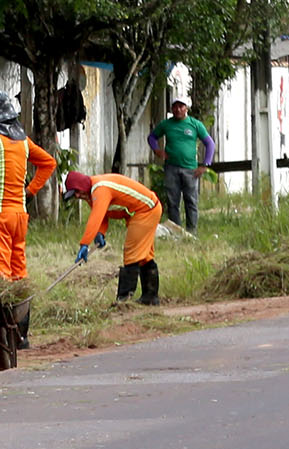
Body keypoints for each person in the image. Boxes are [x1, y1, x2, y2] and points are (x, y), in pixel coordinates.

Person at [0, 90, 57, 280]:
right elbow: (49, 163)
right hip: (19, 215)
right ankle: (22, 307)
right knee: (19, 271)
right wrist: (31, 190)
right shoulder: (23, 141)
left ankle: (1, 309)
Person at [63, 169, 165, 304]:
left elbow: (95, 217)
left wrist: (84, 244)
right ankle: (150, 297)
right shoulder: (92, 193)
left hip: (146, 211)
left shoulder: (100, 189)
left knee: (131, 254)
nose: (76, 196)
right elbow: (103, 216)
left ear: (81, 186)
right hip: (143, 211)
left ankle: (123, 301)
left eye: (76, 192)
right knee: (144, 256)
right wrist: (100, 233)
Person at [148, 98, 215, 233]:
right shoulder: (166, 124)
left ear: (187, 108)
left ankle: (192, 232)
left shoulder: (195, 124)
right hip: (171, 168)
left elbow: (210, 144)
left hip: (191, 170)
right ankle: (176, 232)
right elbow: (152, 137)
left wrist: (205, 164)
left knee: (191, 201)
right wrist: (157, 150)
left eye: (181, 106)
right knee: (172, 202)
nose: (178, 109)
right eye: (175, 107)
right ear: (171, 109)